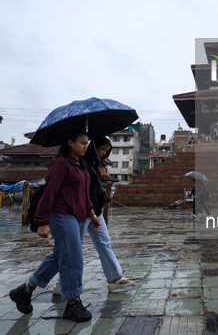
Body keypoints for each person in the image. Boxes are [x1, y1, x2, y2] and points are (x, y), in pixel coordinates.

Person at [9, 130, 101, 322]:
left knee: (60, 256)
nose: (86, 146)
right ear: (70, 142)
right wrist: (42, 221)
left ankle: (25, 291)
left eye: (87, 143)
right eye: (82, 143)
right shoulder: (61, 163)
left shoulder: (82, 164)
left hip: (76, 216)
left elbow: (84, 194)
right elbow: (49, 192)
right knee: (74, 257)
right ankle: (73, 303)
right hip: (60, 215)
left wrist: (92, 214)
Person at [53, 136, 131, 294]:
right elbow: (79, 189)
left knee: (104, 242)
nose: (104, 153)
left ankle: (115, 277)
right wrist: (95, 176)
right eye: (102, 149)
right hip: (82, 212)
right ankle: (61, 284)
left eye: (106, 151)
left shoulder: (97, 164)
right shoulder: (81, 162)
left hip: (95, 210)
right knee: (73, 249)